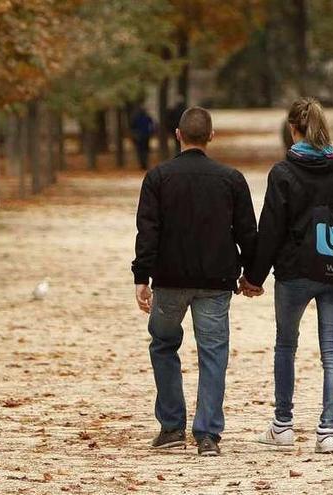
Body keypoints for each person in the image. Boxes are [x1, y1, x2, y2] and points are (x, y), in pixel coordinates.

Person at [240, 97, 333, 454]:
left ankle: (282, 425)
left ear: (292, 129)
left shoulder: (283, 174)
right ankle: (328, 431)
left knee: (286, 345)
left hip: (295, 272)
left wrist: (254, 276)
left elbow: (269, 230)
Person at [131, 106, 258, 457]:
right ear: (211, 136)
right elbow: (248, 232)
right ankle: (207, 435)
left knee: (163, 344)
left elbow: (148, 232)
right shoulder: (231, 179)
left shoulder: (157, 178)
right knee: (213, 353)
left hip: (170, 279)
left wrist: (142, 276)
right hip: (216, 281)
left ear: (177, 135)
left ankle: (172, 426)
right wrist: (253, 274)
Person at [130, 106, 155, 170]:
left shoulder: (136, 118)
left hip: (139, 136)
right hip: (146, 136)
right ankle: (144, 163)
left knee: (140, 151)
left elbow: (132, 127)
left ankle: (142, 163)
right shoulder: (147, 117)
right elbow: (152, 125)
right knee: (145, 150)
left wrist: (134, 134)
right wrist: (151, 132)